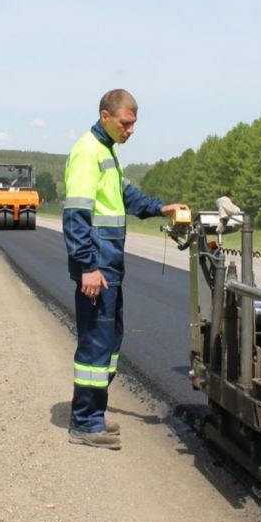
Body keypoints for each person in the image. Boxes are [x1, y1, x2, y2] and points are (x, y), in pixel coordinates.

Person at [63, 89, 184, 450]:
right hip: (97, 268)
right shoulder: (87, 152)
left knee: (109, 341)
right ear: (105, 116)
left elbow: (125, 197)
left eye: (133, 124)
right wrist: (87, 267)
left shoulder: (107, 153)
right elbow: (76, 215)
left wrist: (160, 208)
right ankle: (84, 423)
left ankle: (93, 416)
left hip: (109, 267)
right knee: (96, 345)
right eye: (126, 123)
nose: (131, 130)